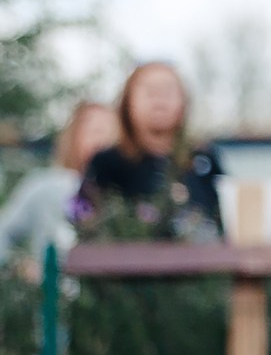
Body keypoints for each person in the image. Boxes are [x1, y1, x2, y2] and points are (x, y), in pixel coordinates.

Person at [76, 62, 225, 241]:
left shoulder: (203, 161)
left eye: (168, 91)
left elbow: (227, 224)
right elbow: (85, 228)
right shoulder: (107, 165)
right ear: (128, 101)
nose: (159, 99)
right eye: (150, 91)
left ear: (184, 101)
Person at [0, 100, 115, 272]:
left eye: (112, 135)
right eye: (96, 131)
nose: (103, 141)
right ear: (74, 136)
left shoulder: (124, 195)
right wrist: (19, 266)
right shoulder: (46, 186)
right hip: (54, 285)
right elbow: (4, 233)